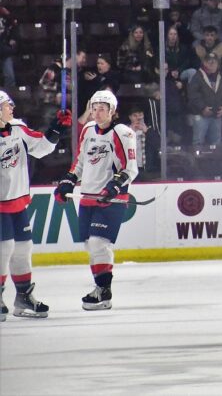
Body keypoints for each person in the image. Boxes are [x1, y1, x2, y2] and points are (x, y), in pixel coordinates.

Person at [54, 90, 139, 311]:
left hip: (111, 199)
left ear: (112, 111)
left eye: (102, 108)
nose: (97, 112)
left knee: (98, 243)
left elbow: (130, 169)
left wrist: (114, 186)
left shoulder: (123, 133)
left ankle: (103, 290)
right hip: (88, 196)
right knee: (90, 246)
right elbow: (81, 162)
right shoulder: (89, 130)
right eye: (94, 108)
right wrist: (69, 180)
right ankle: (102, 290)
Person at [0, 91, 70, 319]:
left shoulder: (18, 128)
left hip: (18, 201)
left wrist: (56, 128)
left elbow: (42, 147)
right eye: (7, 105)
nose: (12, 108)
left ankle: (23, 297)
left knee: (23, 249)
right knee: (3, 250)